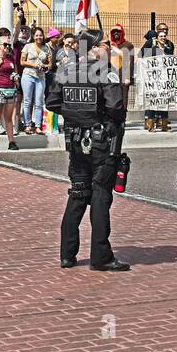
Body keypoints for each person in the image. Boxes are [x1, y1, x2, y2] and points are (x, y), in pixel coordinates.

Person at [46, 30, 130, 271]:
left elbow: (52, 103)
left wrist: (75, 115)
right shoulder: (105, 71)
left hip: (75, 140)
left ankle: (67, 254)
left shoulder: (66, 70)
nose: (109, 47)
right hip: (101, 142)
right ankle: (101, 256)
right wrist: (97, 117)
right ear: (93, 48)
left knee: (78, 192)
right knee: (101, 195)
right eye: (105, 44)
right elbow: (115, 106)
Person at [19, 27, 52, 134]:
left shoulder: (46, 48)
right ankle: (27, 125)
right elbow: (22, 62)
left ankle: (38, 126)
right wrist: (34, 65)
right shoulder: (27, 46)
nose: (39, 37)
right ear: (33, 36)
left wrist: (45, 66)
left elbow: (50, 64)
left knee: (39, 102)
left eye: (41, 35)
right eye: (37, 35)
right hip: (28, 75)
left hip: (40, 77)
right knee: (27, 101)